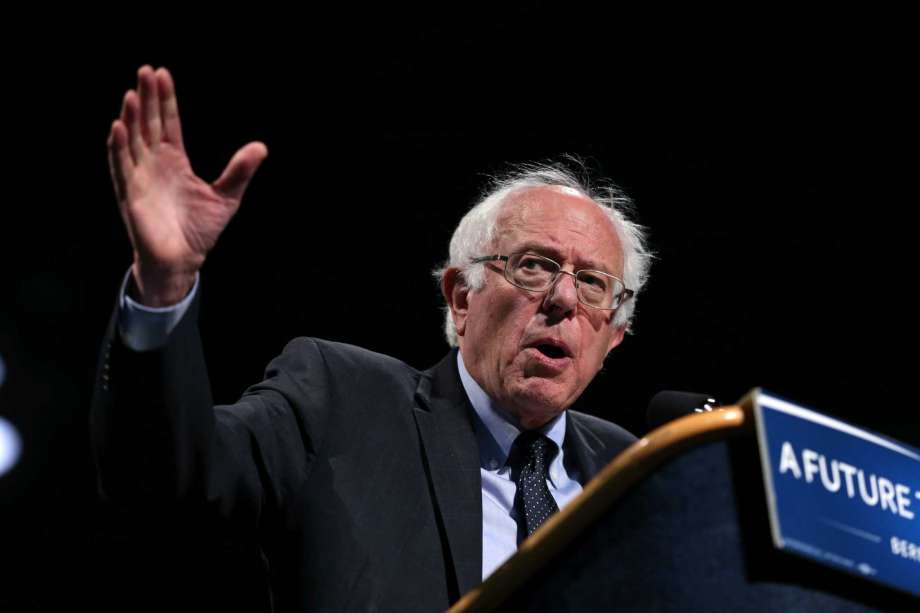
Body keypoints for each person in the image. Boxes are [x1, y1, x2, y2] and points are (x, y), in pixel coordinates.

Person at [92, 65, 651, 612]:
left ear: (616, 334)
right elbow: (167, 473)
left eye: (594, 283)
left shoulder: (635, 472)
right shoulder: (341, 401)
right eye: (534, 265)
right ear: (461, 298)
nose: (563, 299)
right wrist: (162, 287)